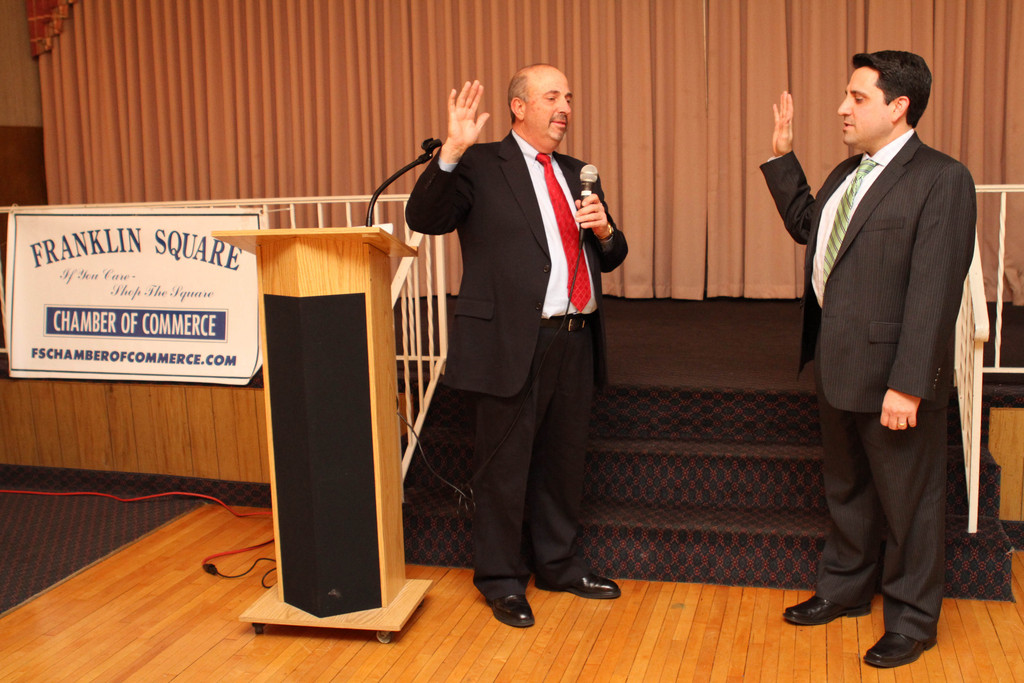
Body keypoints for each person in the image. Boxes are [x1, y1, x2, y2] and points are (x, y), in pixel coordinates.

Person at [760, 51, 976, 668]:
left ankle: (912, 619)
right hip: (838, 363)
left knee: (909, 501)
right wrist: (782, 158)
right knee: (847, 488)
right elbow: (811, 226)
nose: (842, 108)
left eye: (857, 97)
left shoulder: (942, 178)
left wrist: (909, 384)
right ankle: (846, 588)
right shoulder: (845, 173)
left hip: (894, 377)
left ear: (898, 106)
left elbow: (935, 292)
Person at [405, 64, 628, 628]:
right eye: (552, 96)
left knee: (563, 462)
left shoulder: (580, 173)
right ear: (518, 106)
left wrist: (604, 231)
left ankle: (558, 565)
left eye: (569, 97)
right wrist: (451, 150)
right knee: (503, 469)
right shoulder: (479, 164)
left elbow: (613, 252)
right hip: (509, 340)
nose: (565, 107)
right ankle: (501, 579)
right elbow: (425, 217)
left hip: (574, 337)